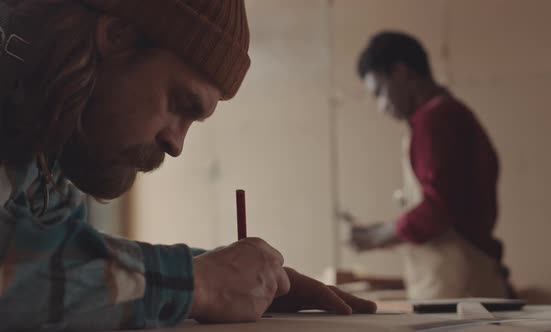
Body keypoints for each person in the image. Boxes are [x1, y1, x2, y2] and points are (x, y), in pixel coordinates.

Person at [0, 1, 376, 330]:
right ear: (117, 37)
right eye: (180, 103)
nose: (176, 145)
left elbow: (43, 254)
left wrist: (226, 277)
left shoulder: (42, 129)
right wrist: (200, 283)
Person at [350, 31, 514, 300]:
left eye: (379, 92)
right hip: (463, 281)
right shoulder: (450, 115)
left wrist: (378, 236)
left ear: (401, 72)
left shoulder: (436, 121)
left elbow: (437, 210)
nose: (381, 106)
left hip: (458, 288)